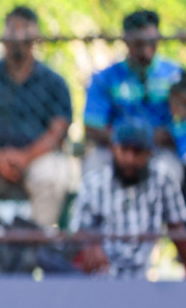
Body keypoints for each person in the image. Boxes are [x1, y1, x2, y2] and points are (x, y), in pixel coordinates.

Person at [0, 7, 75, 229]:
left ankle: (33, 244)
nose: (19, 36)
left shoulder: (54, 82)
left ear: (36, 37)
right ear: (4, 36)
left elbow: (59, 130)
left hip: (36, 157)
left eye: (25, 30)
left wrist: (25, 157)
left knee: (56, 174)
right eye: (13, 29)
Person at [73, 118, 186, 278]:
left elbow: (177, 228)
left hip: (143, 274)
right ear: (113, 149)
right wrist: (91, 245)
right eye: (124, 150)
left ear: (149, 153)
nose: (129, 159)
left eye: (137, 152)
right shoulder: (94, 183)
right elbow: (79, 231)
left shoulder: (163, 180)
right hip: (101, 275)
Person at [84, 10, 183, 186]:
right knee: (94, 173)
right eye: (139, 44)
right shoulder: (106, 78)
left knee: (168, 173)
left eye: (151, 43)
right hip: (115, 149)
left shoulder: (175, 75)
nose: (146, 51)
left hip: (160, 151)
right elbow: (92, 127)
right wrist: (129, 141)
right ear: (126, 42)